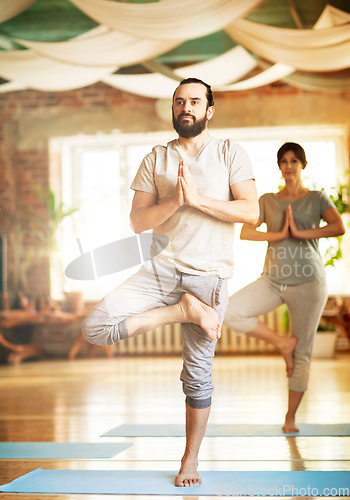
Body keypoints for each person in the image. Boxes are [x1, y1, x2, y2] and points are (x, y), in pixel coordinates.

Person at [82, 77, 259, 486]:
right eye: (179, 101)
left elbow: (250, 213)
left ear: (209, 110)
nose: (186, 107)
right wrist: (176, 201)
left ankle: (190, 461)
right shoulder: (156, 158)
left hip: (207, 276)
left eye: (195, 101)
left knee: (197, 375)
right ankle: (179, 312)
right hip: (159, 272)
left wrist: (198, 200)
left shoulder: (231, 152)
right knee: (94, 328)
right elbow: (136, 221)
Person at [224, 142, 345, 433]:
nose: (289, 165)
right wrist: (278, 234)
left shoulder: (317, 198)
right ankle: (281, 343)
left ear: (302, 164)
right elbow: (246, 231)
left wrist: (301, 233)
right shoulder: (267, 200)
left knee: (303, 351)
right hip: (272, 279)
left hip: (309, 282)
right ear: (279, 166)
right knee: (229, 311)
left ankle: (290, 418)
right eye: (284, 161)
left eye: (294, 160)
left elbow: (337, 227)